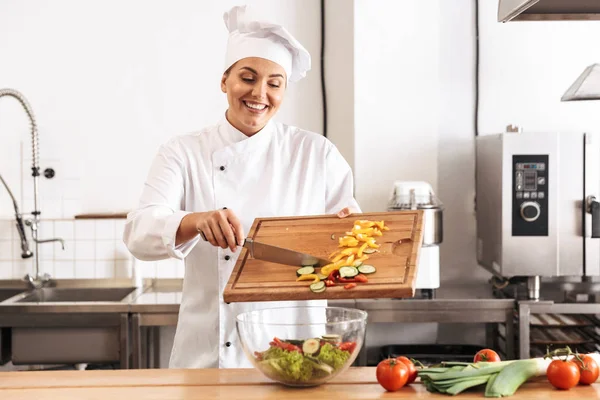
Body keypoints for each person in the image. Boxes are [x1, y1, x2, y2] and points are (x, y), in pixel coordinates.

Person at [123, 4, 361, 369]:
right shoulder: (184, 152)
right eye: (247, 78)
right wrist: (195, 221)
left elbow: (350, 242)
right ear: (225, 81)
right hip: (209, 357)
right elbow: (138, 233)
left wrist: (346, 232)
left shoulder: (316, 153)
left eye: (274, 83)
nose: (259, 93)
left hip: (297, 352)